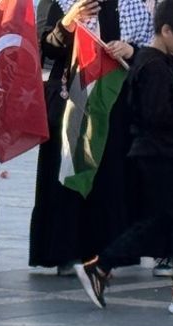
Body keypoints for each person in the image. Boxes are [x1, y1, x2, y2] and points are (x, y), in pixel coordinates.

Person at [76, 0, 173, 314]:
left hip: (159, 151)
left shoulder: (155, 62)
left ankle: (101, 266)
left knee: (166, 220)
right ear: (165, 30)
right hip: (161, 153)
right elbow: (157, 114)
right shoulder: (154, 66)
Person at [29, 0, 151, 276]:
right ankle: (65, 251)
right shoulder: (61, 3)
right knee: (70, 172)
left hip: (114, 102)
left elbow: (151, 49)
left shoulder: (132, 5)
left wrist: (130, 49)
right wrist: (68, 22)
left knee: (111, 175)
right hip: (73, 98)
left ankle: (108, 253)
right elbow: (46, 47)